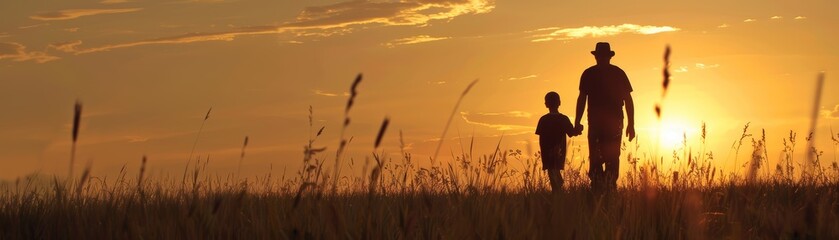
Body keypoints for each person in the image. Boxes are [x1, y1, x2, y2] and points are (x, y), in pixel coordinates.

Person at [574, 42, 636, 192]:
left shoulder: (614, 73)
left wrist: (631, 124)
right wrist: (577, 121)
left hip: (612, 123)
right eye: (600, 56)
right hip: (599, 123)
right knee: (599, 156)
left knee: (611, 156)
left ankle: (607, 187)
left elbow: (628, 99)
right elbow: (582, 98)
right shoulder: (592, 74)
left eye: (603, 56)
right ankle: (599, 186)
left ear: (607, 57)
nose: (601, 58)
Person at [536, 91, 582, 192]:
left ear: (546, 104)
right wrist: (578, 129)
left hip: (547, 152)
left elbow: (540, 138)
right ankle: (558, 192)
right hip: (560, 151)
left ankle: (557, 193)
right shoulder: (563, 119)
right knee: (555, 171)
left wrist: (543, 151)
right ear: (559, 103)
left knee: (552, 172)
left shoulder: (543, 120)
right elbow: (572, 133)